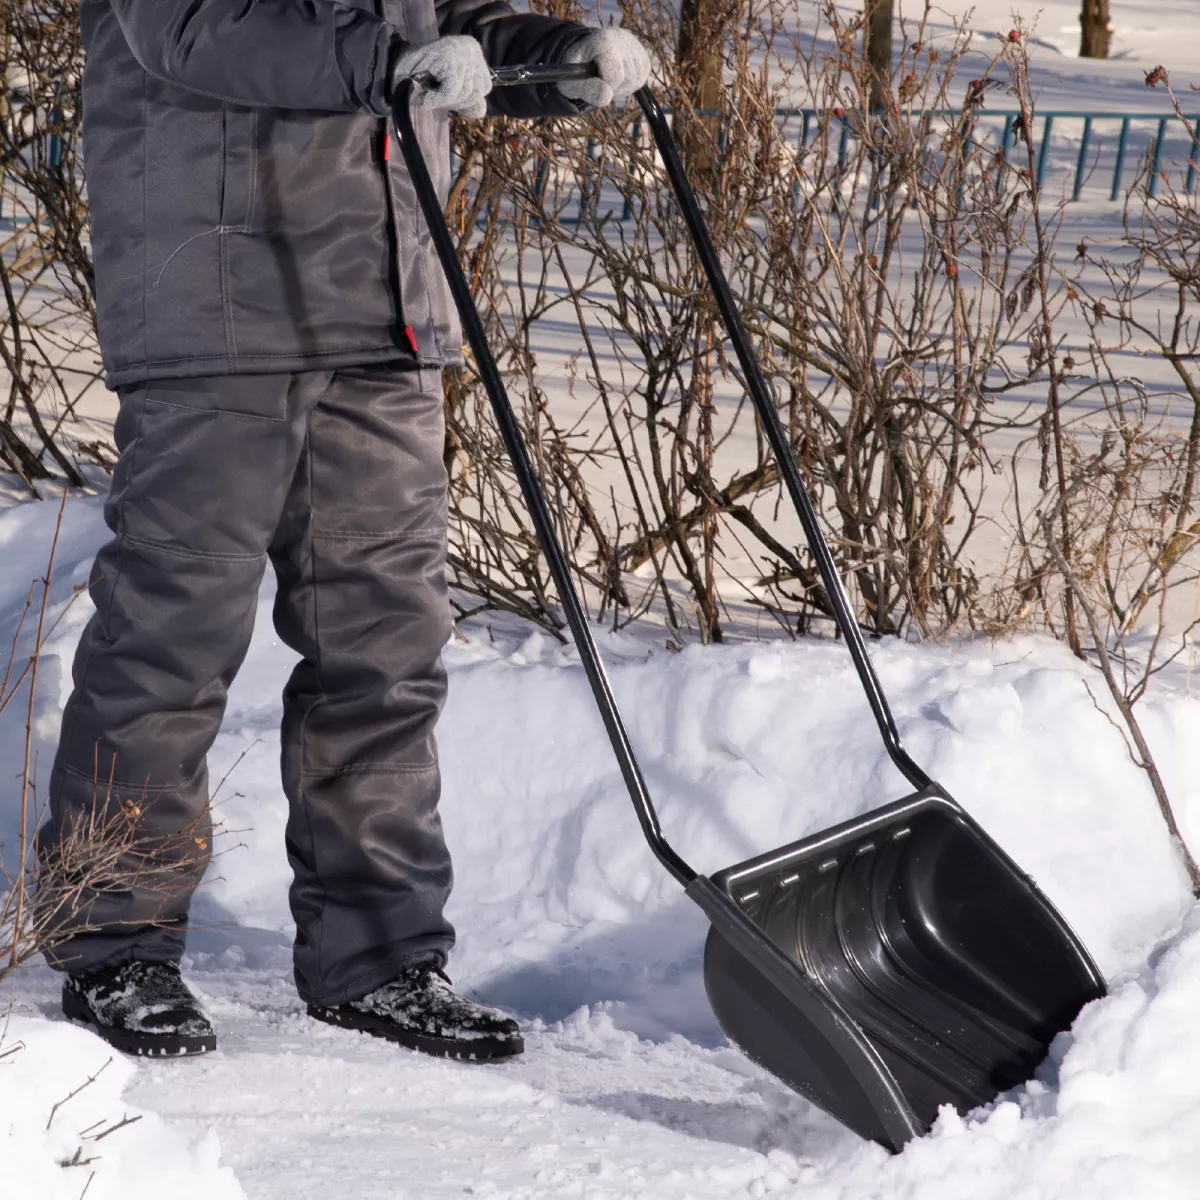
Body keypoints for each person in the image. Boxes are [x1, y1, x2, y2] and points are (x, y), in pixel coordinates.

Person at [41, 0, 650, 1060]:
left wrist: (550, 58)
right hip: (218, 301)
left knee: (387, 646)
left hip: (387, 307)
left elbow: (445, 25)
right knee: (171, 637)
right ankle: (114, 943)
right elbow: (184, 30)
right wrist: (395, 60)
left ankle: (382, 957)